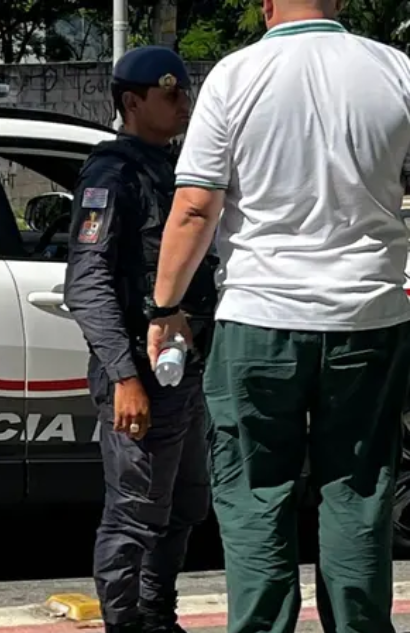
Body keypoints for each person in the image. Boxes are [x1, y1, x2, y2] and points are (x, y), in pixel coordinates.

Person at [147, 2, 410, 632]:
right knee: (358, 490)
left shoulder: (237, 75)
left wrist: (165, 308)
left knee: (256, 493)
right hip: (369, 313)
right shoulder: (395, 69)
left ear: (265, 3)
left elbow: (194, 208)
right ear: (340, 1)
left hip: (259, 315)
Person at [64, 46, 221, 633]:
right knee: (134, 518)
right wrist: (126, 378)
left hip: (186, 370)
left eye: (185, 90)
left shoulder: (174, 167)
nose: (184, 103)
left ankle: (157, 617)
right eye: (169, 93)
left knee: (183, 508)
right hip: (140, 371)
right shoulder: (113, 174)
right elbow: (87, 281)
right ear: (132, 102)